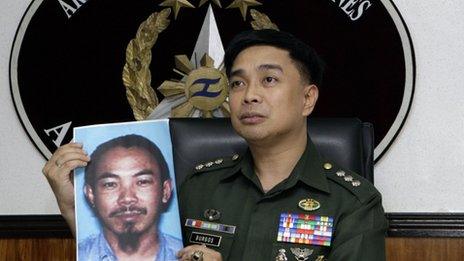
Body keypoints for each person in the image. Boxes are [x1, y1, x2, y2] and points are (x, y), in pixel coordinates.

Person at [43, 29, 387, 261]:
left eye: (269, 80)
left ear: (307, 99)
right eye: (237, 83)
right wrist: (75, 212)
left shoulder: (353, 203)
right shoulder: (199, 186)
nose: (249, 95)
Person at [46, 134, 182, 260]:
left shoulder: (188, 253)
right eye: (110, 184)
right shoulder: (84, 254)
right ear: (91, 194)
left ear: (165, 190)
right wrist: (70, 209)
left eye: (142, 182)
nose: (127, 198)